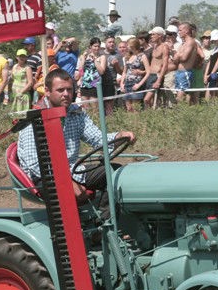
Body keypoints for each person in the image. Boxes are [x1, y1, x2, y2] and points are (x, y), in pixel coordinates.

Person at [17, 68, 135, 204]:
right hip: (44, 178)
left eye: (69, 89)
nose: (66, 94)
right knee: (103, 176)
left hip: (70, 170)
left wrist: (119, 137)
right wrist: (66, 184)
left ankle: (104, 222)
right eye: (60, 90)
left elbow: (97, 138)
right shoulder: (34, 119)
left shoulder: (76, 113)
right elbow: (34, 164)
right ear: (48, 92)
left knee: (114, 172)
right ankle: (93, 223)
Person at [171, 22, 202, 104]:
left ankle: (179, 113)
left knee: (181, 95)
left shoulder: (191, 42)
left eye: (180, 30)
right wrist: (177, 56)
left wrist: (177, 55)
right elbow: (175, 60)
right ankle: (179, 112)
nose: (178, 32)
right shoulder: (183, 43)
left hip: (185, 72)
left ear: (186, 31)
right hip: (178, 72)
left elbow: (184, 58)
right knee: (179, 94)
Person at [119, 37, 150, 112]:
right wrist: (121, 83)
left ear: (133, 45)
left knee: (136, 109)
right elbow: (124, 72)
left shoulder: (142, 56)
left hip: (136, 83)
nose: (127, 47)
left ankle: (137, 123)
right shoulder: (128, 56)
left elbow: (148, 72)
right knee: (129, 108)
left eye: (128, 45)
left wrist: (139, 84)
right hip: (127, 84)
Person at [76, 37, 104, 108]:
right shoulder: (84, 56)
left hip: (95, 84)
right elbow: (80, 70)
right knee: (86, 107)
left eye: (98, 46)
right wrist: (83, 59)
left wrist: (95, 60)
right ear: (90, 46)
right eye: (95, 46)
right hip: (85, 84)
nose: (97, 48)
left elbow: (101, 72)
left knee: (94, 107)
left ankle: (96, 119)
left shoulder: (102, 57)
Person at [144, 26, 168, 108]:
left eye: (154, 34)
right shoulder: (154, 46)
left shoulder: (164, 47)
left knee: (146, 100)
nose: (151, 36)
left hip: (156, 75)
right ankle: (151, 117)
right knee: (150, 101)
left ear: (160, 36)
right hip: (150, 75)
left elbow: (165, 64)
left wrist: (159, 80)